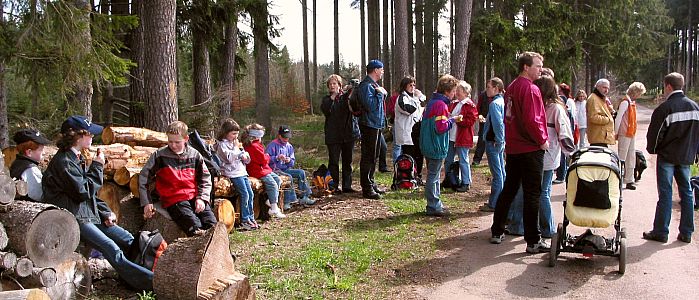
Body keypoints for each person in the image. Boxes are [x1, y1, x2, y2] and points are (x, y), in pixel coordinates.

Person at [43, 115, 153, 291]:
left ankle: (149, 271)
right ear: (77, 136)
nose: (93, 137)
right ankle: (151, 283)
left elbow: (89, 196)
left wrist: (104, 212)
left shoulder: (75, 158)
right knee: (111, 248)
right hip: (71, 219)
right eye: (89, 134)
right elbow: (83, 192)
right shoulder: (64, 162)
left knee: (129, 239)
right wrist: (97, 166)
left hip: (86, 214)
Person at [489, 51, 550, 254]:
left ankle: (497, 230)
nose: (540, 69)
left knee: (510, 188)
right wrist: (542, 141)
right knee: (533, 193)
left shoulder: (513, 86)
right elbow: (533, 120)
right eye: (538, 65)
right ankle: (533, 240)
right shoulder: (530, 89)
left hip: (514, 147)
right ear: (526, 66)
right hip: (529, 148)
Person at [643, 72, 699, 244]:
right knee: (687, 193)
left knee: (666, 194)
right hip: (686, 156)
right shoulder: (695, 107)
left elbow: (655, 134)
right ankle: (687, 232)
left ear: (668, 86)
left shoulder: (665, 108)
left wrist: (652, 150)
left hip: (667, 156)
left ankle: (661, 231)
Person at [139, 121, 217, 236]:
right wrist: (147, 202)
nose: (173, 145)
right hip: (174, 199)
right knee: (196, 229)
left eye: (177, 142)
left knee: (213, 226)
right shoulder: (159, 156)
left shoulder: (195, 155)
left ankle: (224, 253)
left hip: (195, 197)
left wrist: (202, 198)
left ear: (186, 139)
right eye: (170, 141)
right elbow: (144, 178)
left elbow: (205, 178)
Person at [535, 75, 575, 238]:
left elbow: (564, 136)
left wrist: (571, 154)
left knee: (542, 192)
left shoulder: (554, 109)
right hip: (543, 156)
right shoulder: (550, 107)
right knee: (541, 192)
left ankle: (546, 228)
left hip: (546, 156)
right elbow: (564, 136)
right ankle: (544, 228)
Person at [420, 74, 463, 217]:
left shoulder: (433, 102)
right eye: (453, 91)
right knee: (433, 175)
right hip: (435, 145)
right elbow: (440, 127)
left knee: (434, 174)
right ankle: (433, 205)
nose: (454, 94)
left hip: (428, 144)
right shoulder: (441, 105)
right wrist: (453, 120)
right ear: (447, 91)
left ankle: (435, 203)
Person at [215, 119, 258, 231]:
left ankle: (250, 217)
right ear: (226, 133)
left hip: (242, 171)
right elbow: (228, 158)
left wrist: (245, 156)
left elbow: (246, 158)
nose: (235, 136)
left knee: (250, 194)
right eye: (233, 134)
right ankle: (244, 219)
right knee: (244, 194)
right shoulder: (222, 145)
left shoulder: (235, 144)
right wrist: (239, 153)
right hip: (232, 173)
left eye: (236, 134)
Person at [320, 74, 360, 194]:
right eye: (330, 84)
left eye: (334, 84)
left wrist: (352, 89)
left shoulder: (346, 97)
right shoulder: (326, 100)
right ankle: (334, 185)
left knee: (347, 161)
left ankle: (347, 185)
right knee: (334, 162)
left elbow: (355, 104)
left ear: (339, 85)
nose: (332, 86)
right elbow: (325, 110)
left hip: (348, 134)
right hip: (333, 136)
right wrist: (333, 97)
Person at [266, 125, 317, 210]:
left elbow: (292, 162)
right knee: (288, 178)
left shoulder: (289, 146)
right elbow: (266, 159)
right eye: (284, 137)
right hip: (275, 170)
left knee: (301, 173)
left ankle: (304, 196)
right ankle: (288, 201)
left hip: (286, 169)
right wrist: (277, 158)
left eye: (287, 138)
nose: (286, 140)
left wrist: (289, 160)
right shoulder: (272, 145)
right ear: (279, 136)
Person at [357, 59, 388, 199]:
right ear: (375, 70)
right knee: (368, 156)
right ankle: (367, 188)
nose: (382, 72)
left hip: (376, 124)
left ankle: (371, 182)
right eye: (381, 69)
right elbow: (370, 106)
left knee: (375, 155)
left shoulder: (373, 85)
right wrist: (380, 94)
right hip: (369, 125)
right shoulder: (366, 86)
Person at [241, 123, 286, 218]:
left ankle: (271, 200)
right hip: (256, 170)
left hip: (263, 169)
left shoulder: (256, 145)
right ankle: (273, 208)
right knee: (272, 184)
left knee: (277, 179)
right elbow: (263, 160)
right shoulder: (253, 146)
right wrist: (267, 157)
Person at [444, 81, 478, 192]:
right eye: (457, 90)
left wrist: (459, 120)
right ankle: (449, 179)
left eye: (460, 90)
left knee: (463, 160)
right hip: (451, 136)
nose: (457, 92)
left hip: (463, 137)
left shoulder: (469, 105)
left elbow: (471, 121)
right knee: (448, 159)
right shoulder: (454, 103)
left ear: (465, 92)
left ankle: (466, 182)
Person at [479, 77, 505, 212]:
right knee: (501, 172)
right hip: (497, 141)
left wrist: (499, 140)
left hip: (493, 142)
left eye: (489, 87)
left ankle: (494, 203)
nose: (486, 90)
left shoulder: (495, 104)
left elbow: (498, 124)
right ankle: (500, 201)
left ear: (496, 88)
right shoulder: (501, 101)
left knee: (497, 174)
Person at [615, 82, 646, 190]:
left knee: (631, 156)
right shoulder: (625, 102)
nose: (639, 96)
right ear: (635, 92)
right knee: (622, 157)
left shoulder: (631, 102)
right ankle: (617, 179)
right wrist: (616, 132)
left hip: (631, 132)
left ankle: (629, 179)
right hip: (624, 132)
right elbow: (618, 118)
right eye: (639, 93)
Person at [10, 129, 52, 202]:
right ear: (29, 152)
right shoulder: (31, 169)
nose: (44, 152)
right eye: (41, 150)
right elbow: (40, 196)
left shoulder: (17, 163)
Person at [394, 76, 425, 163]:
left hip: (417, 133)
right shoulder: (402, 98)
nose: (413, 87)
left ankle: (418, 175)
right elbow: (409, 109)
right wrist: (417, 98)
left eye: (414, 85)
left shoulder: (412, 98)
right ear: (405, 86)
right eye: (410, 85)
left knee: (418, 156)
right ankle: (409, 176)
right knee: (409, 159)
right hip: (407, 134)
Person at [553, 83, 576, 184]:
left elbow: (570, 116)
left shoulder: (566, 102)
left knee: (563, 153)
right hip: (565, 128)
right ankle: (563, 172)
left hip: (565, 128)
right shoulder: (564, 102)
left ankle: (562, 174)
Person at [586, 79, 615, 147]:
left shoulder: (600, 98)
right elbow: (593, 117)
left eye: (608, 88)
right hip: (598, 136)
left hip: (602, 136)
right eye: (604, 87)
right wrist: (608, 119)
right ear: (597, 87)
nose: (606, 90)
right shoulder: (593, 99)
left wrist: (610, 111)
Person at [471, 91, 491, 166]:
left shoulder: (499, 96)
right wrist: (479, 115)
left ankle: (499, 159)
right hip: (484, 121)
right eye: (488, 87)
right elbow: (478, 109)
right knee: (481, 140)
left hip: (495, 121)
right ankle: (476, 160)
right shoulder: (483, 95)